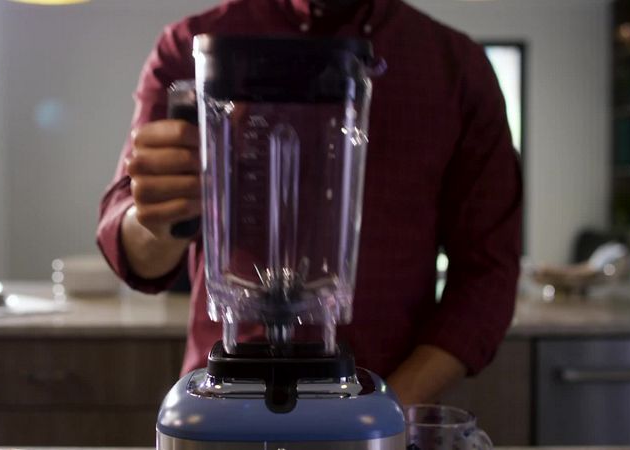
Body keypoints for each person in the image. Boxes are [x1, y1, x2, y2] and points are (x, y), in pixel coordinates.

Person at [97, 0, 522, 405]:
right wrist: (162, 215)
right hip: (222, 401)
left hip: (385, 403)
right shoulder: (191, 46)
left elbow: (488, 273)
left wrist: (385, 415)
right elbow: (131, 247)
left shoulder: (455, 68)